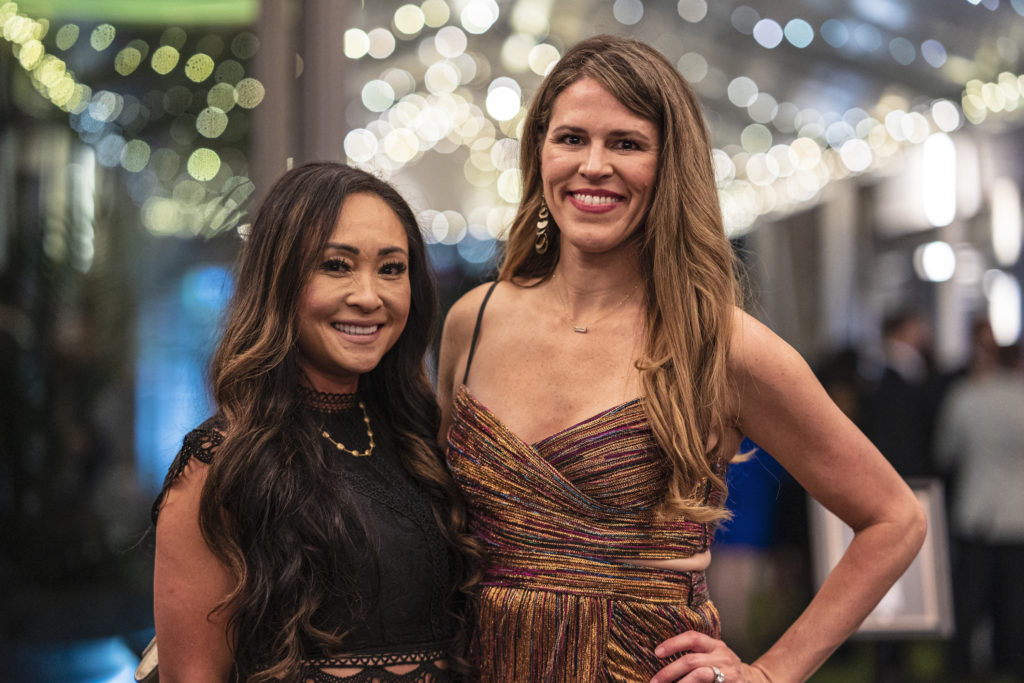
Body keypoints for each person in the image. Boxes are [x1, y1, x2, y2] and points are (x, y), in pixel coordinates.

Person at [437, 36, 925, 683]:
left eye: (627, 143)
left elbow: (895, 518)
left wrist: (771, 671)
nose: (594, 165)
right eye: (572, 138)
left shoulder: (719, 343)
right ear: (539, 152)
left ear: (669, 164)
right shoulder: (473, 321)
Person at [152, 162, 476, 682]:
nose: (370, 296)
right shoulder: (220, 461)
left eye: (391, 268)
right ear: (280, 279)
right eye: (336, 265)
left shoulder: (420, 440)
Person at [935, 328, 1024, 678]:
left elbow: (946, 452)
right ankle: (1013, 662)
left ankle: (960, 667)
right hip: (1018, 516)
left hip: (976, 512)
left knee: (968, 600)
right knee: (1017, 600)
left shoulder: (966, 398)